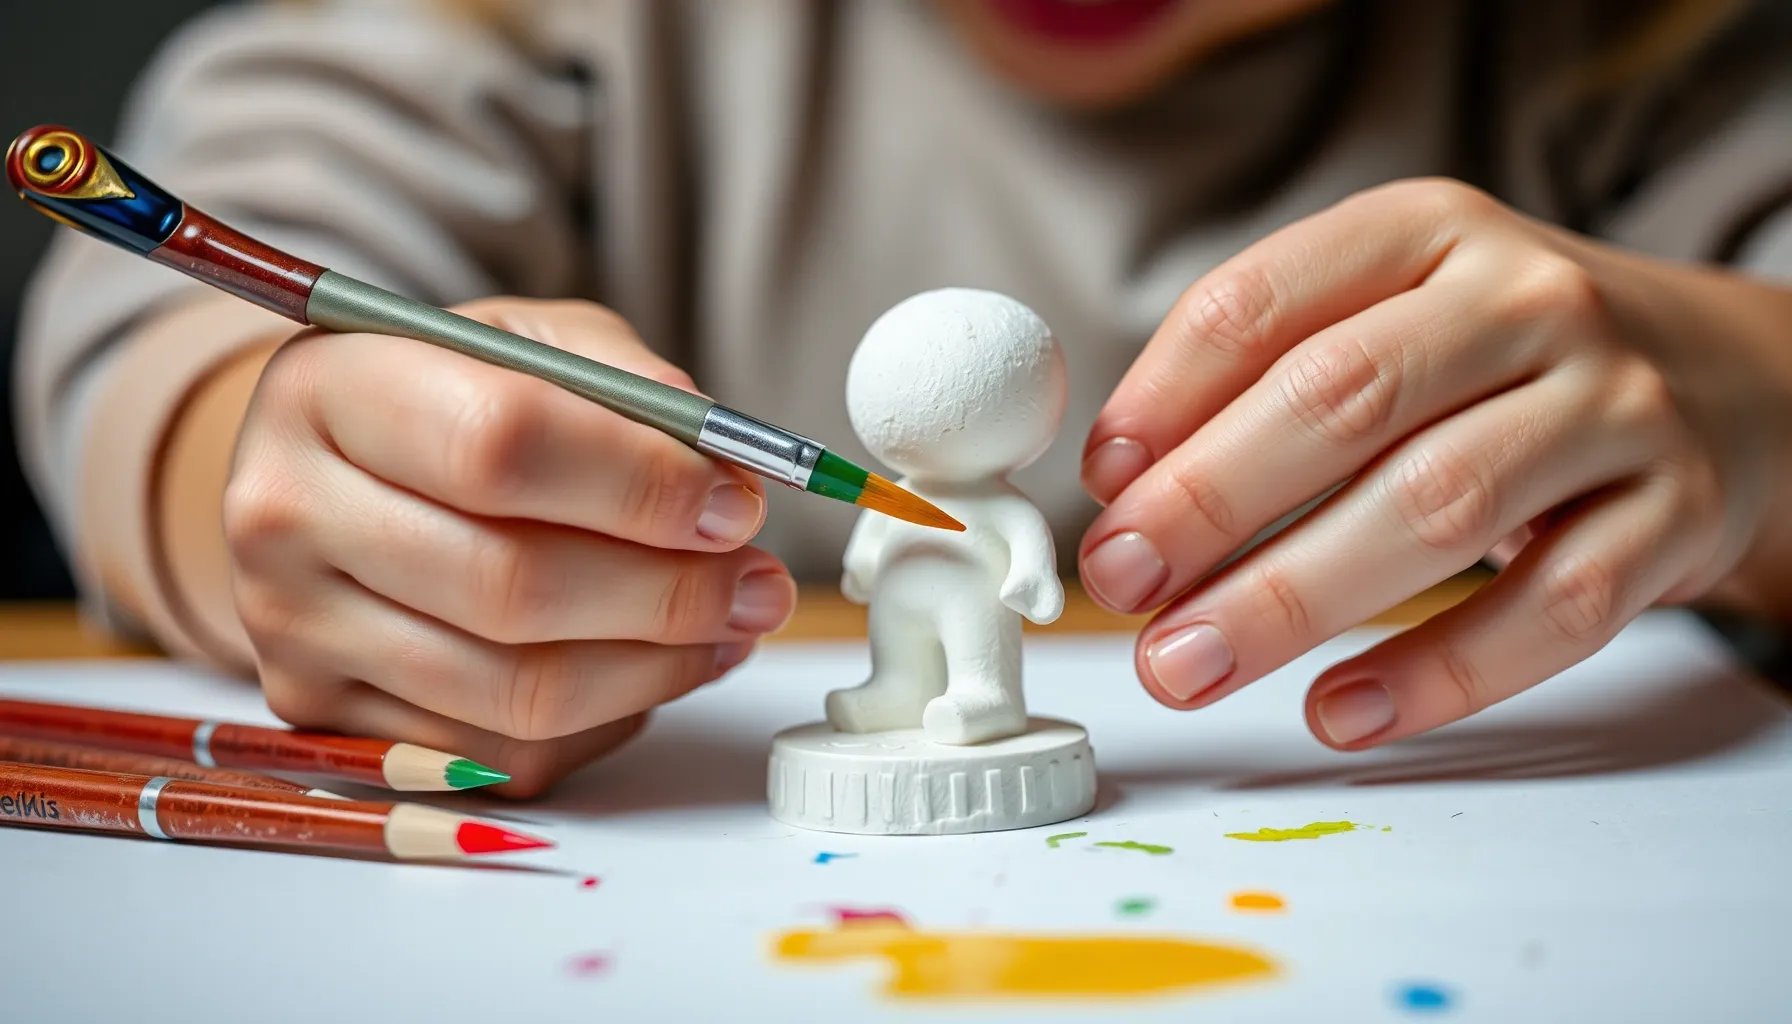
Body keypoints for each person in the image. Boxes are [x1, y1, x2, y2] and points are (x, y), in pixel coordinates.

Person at [16, 0, 1792, 795]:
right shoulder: (540, 24)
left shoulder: (1630, 55)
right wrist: (235, 457)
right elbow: (175, 282)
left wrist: (1757, 391)